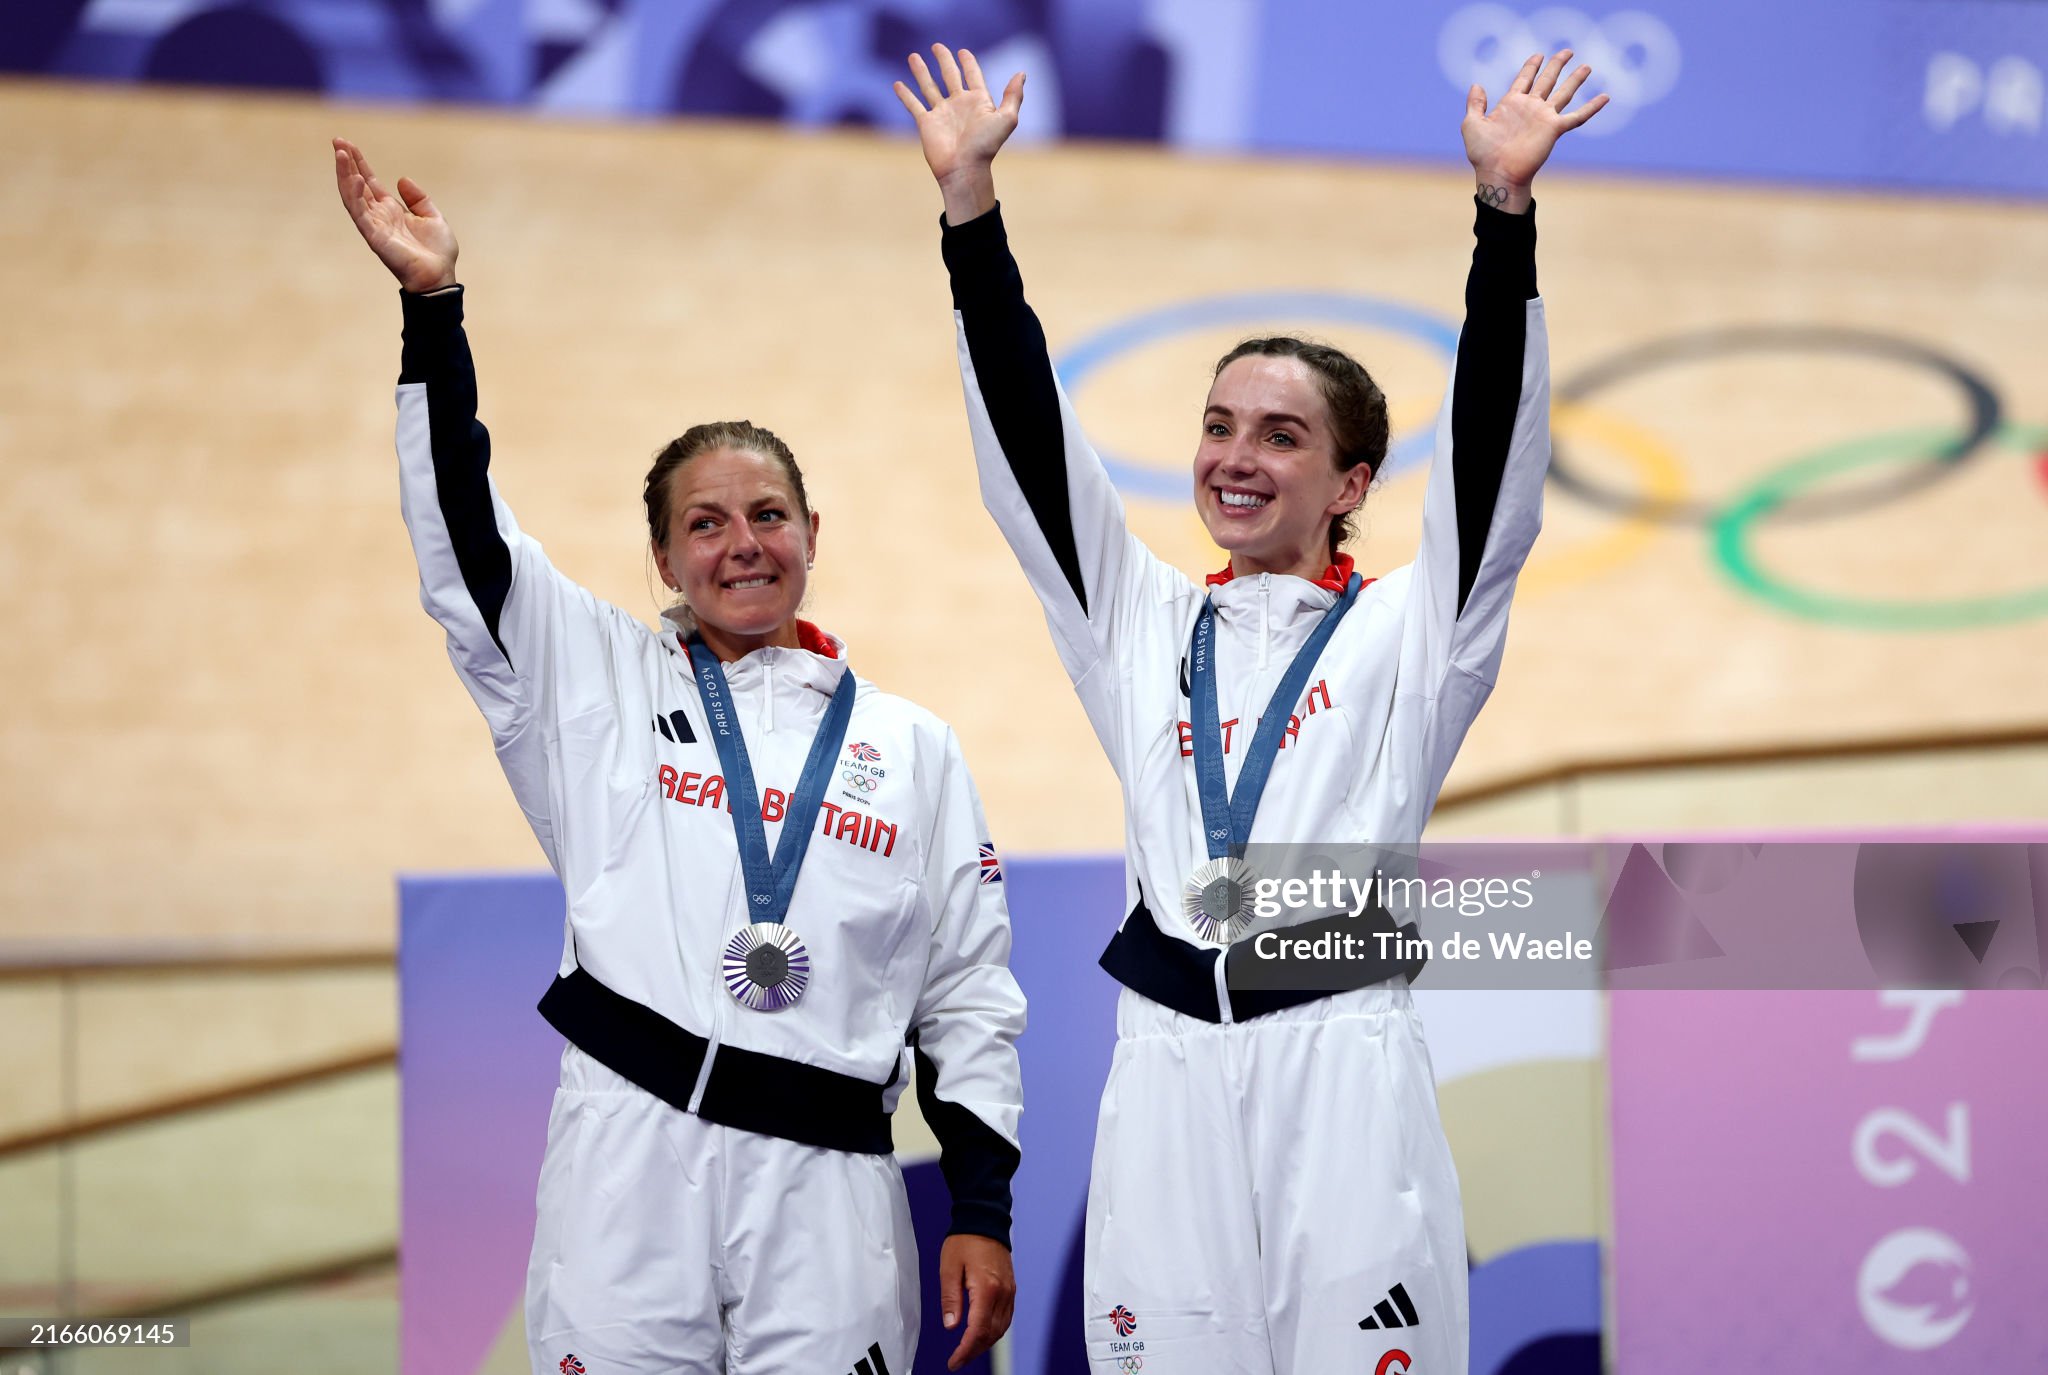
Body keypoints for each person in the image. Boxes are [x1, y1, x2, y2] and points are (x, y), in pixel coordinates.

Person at [894, 45, 1605, 1375]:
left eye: (1280, 434)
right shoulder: (1143, 623)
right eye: (1220, 423)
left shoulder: (1412, 635)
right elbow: (1030, 460)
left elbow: (1495, 485)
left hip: (1341, 1063)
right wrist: (971, 217)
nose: (1233, 456)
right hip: (1162, 1074)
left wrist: (1502, 224)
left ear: (1350, 480)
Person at [332, 136, 1024, 1375]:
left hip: (831, 1194)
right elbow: (465, 544)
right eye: (703, 524)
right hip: (625, 1166)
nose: (741, 545)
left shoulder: (911, 747)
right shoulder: (590, 681)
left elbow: (965, 992)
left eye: (767, 516)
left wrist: (978, 1206)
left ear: (814, 532)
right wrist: (431, 311)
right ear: (662, 558)